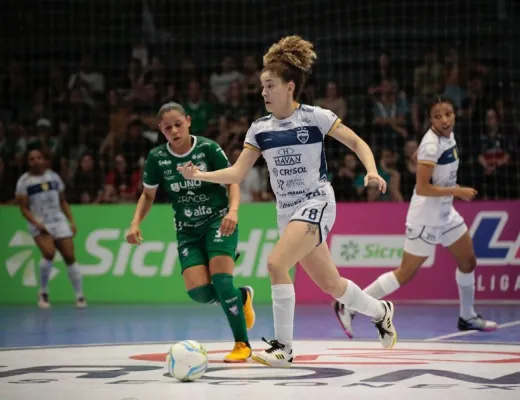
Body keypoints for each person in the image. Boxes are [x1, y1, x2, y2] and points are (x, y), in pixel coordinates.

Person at [178, 35, 397, 368]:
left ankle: (284, 348)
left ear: (290, 87)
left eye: (270, 86)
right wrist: (199, 175)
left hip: (317, 201)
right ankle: (381, 311)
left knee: (276, 263)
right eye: (262, 87)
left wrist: (371, 171)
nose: (263, 92)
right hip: (287, 212)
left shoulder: (316, 117)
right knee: (332, 285)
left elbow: (357, 142)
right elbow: (237, 173)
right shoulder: (259, 129)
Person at [333, 95, 498, 338]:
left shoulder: (446, 136)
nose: (444, 120)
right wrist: (457, 191)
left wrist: (424, 161)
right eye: (438, 116)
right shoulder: (432, 145)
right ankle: (348, 305)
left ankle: (467, 316)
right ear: (430, 119)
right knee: (405, 273)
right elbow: (422, 188)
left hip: (445, 213)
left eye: (448, 114)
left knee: (468, 261)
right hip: (425, 217)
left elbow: (426, 161)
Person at [126, 102, 255, 363]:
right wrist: (135, 223)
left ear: (188, 121)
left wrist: (233, 212)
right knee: (199, 292)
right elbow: (148, 195)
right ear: (160, 130)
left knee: (221, 281)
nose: (174, 130)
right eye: (167, 127)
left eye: (178, 124)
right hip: (187, 230)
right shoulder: (157, 158)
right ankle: (241, 296)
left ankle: (242, 344)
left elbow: (232, 180)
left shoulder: (208, 148)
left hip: (218, 221)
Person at [15, 149, 86, 309]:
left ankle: (79, 295)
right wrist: (36, 223)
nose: (36, 161)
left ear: (44, 160)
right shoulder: (24, 182)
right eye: (32, 159)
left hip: (58, 221)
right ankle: (43, 292)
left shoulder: (54, 177)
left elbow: (62, 201)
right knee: (49, 253)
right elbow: (23, 208)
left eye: (39, 157)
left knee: (69, 256)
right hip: (40, 223)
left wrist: (72, 221)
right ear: (28, 162)